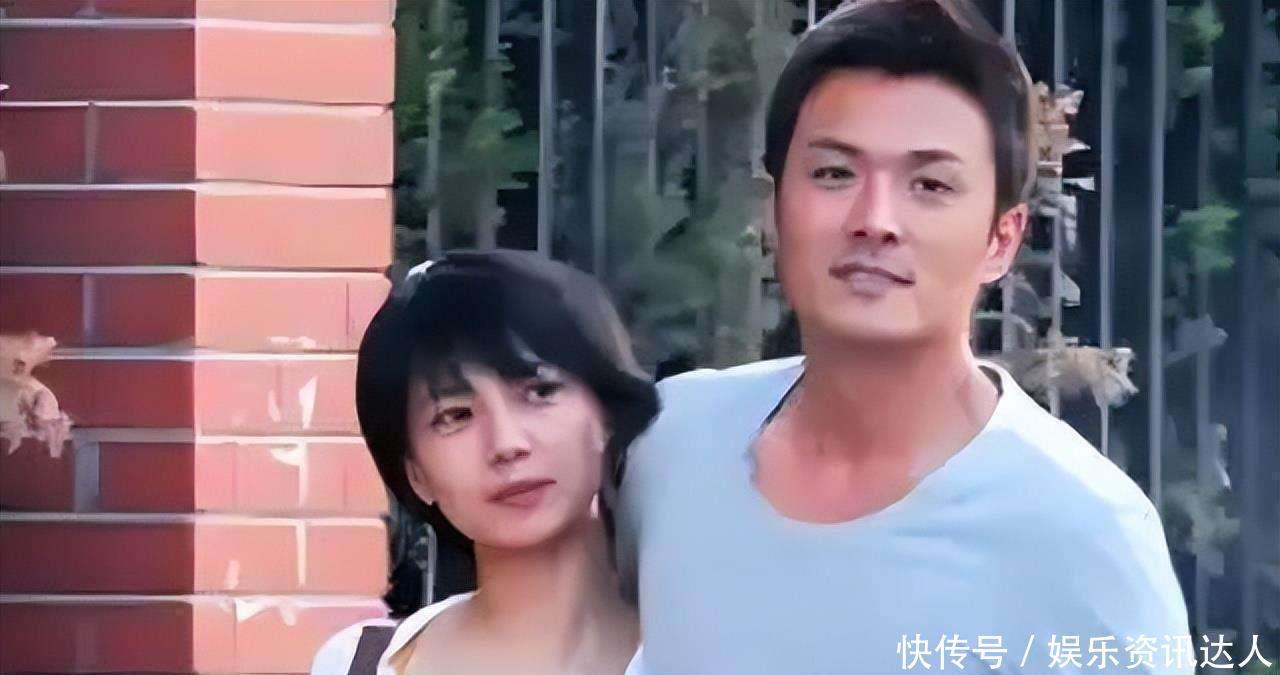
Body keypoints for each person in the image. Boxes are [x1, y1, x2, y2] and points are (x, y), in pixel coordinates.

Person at [613, 1, 1193, 673]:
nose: (875, 220)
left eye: (930, 184)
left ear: (1002, 238)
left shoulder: (1085, 533)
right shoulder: (670, 443)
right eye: (834, 173)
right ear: (774, 208)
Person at [312, 249, 658, 675]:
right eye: (455, 416)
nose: (507, 444)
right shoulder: (357, 662)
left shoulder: (701, 652)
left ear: (606, 413)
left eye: (540, 392)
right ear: (416, 474)